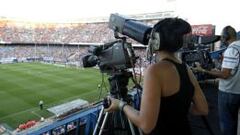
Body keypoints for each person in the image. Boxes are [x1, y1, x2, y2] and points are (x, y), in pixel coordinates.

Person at [105, 18, 208, 135]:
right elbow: (202, 108)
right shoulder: (186, 68)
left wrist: (120, 105)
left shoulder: (155, 71)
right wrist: (177, 109)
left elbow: (146, 125)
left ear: (156, 41)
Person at [195, 26, 240, 135]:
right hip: (238, 91)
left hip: (229, 92)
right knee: (234, 122)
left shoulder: (231, 49)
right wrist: (217, 70)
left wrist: (204, 71)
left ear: (225, 37)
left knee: (227, 123)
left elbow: (225, 75)